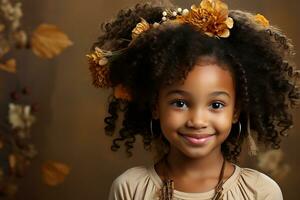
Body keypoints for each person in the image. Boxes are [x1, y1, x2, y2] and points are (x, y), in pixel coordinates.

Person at [87, 0, 299, 199]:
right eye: (180, 103)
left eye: (216, 105)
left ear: (235, 111)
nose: (197, 121)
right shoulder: (130, 188)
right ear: (155, 106)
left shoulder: (260, 192)